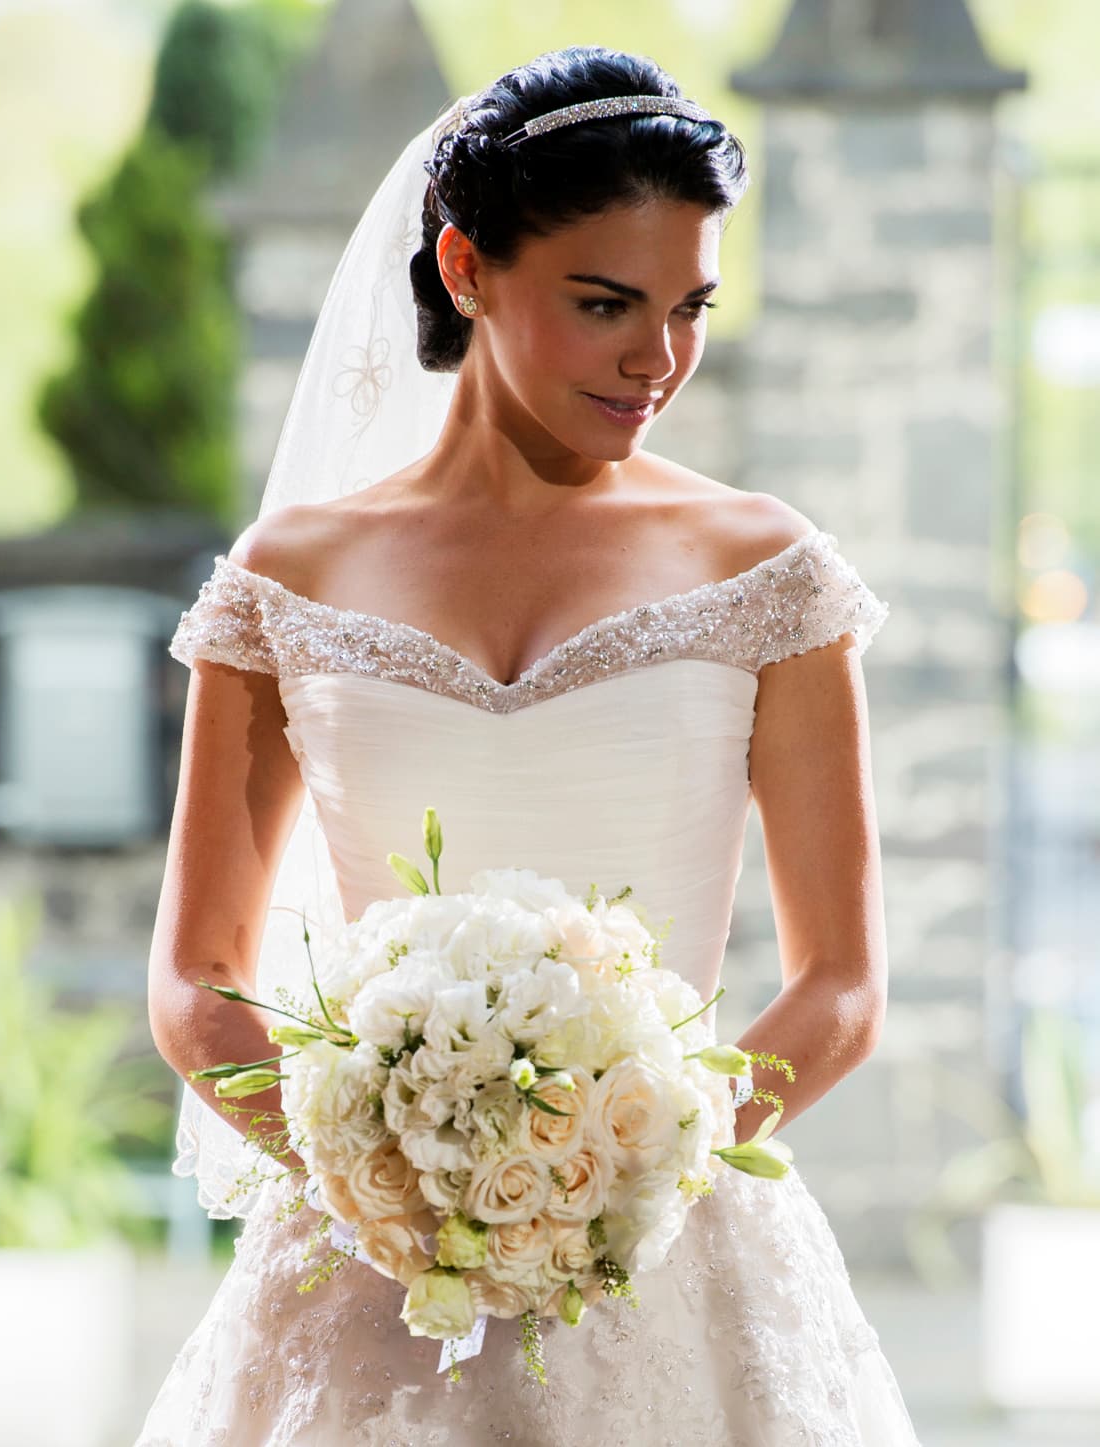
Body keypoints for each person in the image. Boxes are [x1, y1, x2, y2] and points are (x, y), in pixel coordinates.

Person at [136, 44, 923, 1445]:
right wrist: (380, 1182)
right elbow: (198, 985)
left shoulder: (769, 572)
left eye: (690, 307)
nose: (659, 358)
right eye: (605, 302)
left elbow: (842, 987)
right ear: (463, 267)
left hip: (675, 1268)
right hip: (365, 1273)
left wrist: (615, 1179)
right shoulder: (288, 577)